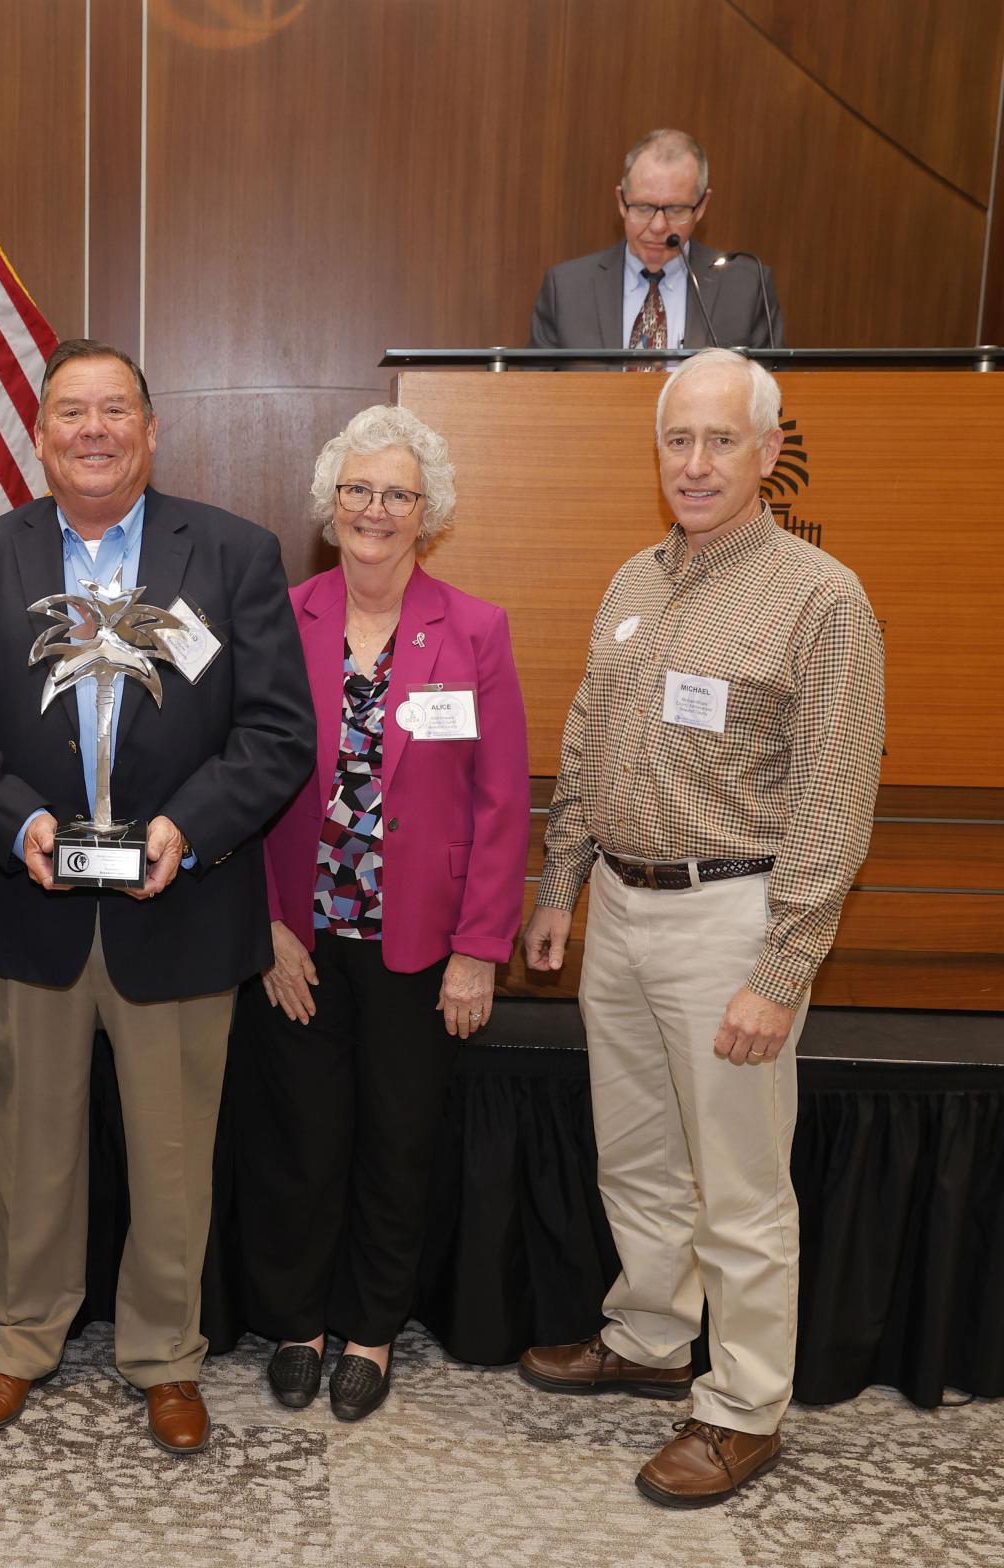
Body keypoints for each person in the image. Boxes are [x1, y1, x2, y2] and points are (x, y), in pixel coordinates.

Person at [0, 338, 314, 1455]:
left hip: (178, 906)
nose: (92, 430)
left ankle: (163, 1354)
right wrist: (18, 822)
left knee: (172, 1153)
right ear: (37, 434)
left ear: (149, 429)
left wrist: (186, 829)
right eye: (68, 412)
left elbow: (277, 732)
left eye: (113, 411)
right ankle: (19, 1340)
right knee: (28, 1145)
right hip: (32, 903)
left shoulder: (232, 554)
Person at [518, 348, 884, 1506]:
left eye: (720, 440)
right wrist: (554, 887)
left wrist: (780, 968)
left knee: (737, 1182)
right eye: (676, 439)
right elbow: (584, 749)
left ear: (768, 454)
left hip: (732, 916)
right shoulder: (632, 580)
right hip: (618, 911)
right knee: (634, 1155)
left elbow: (833, 795)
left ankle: (740, 1406)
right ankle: (644, 1332)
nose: (693, 461)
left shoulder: (820, 599)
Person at [238, 406, 529, 1422]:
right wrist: (265, 923)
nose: (374, 509)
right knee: (301, 1138)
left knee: (397, 1139)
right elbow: (240, 784)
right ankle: (297, 1321)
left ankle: (368, 1328)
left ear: (427, 513)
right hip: (299, 940)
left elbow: (500, 803)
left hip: (418, 945)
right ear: (329, 504)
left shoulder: (475, 628)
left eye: (396, 493)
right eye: (357, 490)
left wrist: (477, 950)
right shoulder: (278, 616)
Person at [529, 128, 783, 352]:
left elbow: (769, 395)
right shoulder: (566, 289)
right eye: (643, 207)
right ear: (621, 202)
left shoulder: (745, 288)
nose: (659, 226)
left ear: (702, 206)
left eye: (675, 210)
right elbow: (535, 396)